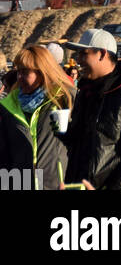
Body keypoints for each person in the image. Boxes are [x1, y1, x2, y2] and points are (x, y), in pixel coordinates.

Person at [59, 28, 121, 189]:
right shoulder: (86, 92)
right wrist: (61, 129)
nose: (78, 60)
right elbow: (79, 142)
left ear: (102, 54)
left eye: (83, 53)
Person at [0, 44, 75, 190]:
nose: (19, 77)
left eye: (25, 72)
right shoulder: (8, 107)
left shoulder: (65, 99)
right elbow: (4, 156)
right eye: (18, 72)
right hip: (20, 185)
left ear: (42, 72)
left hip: (57, 184)